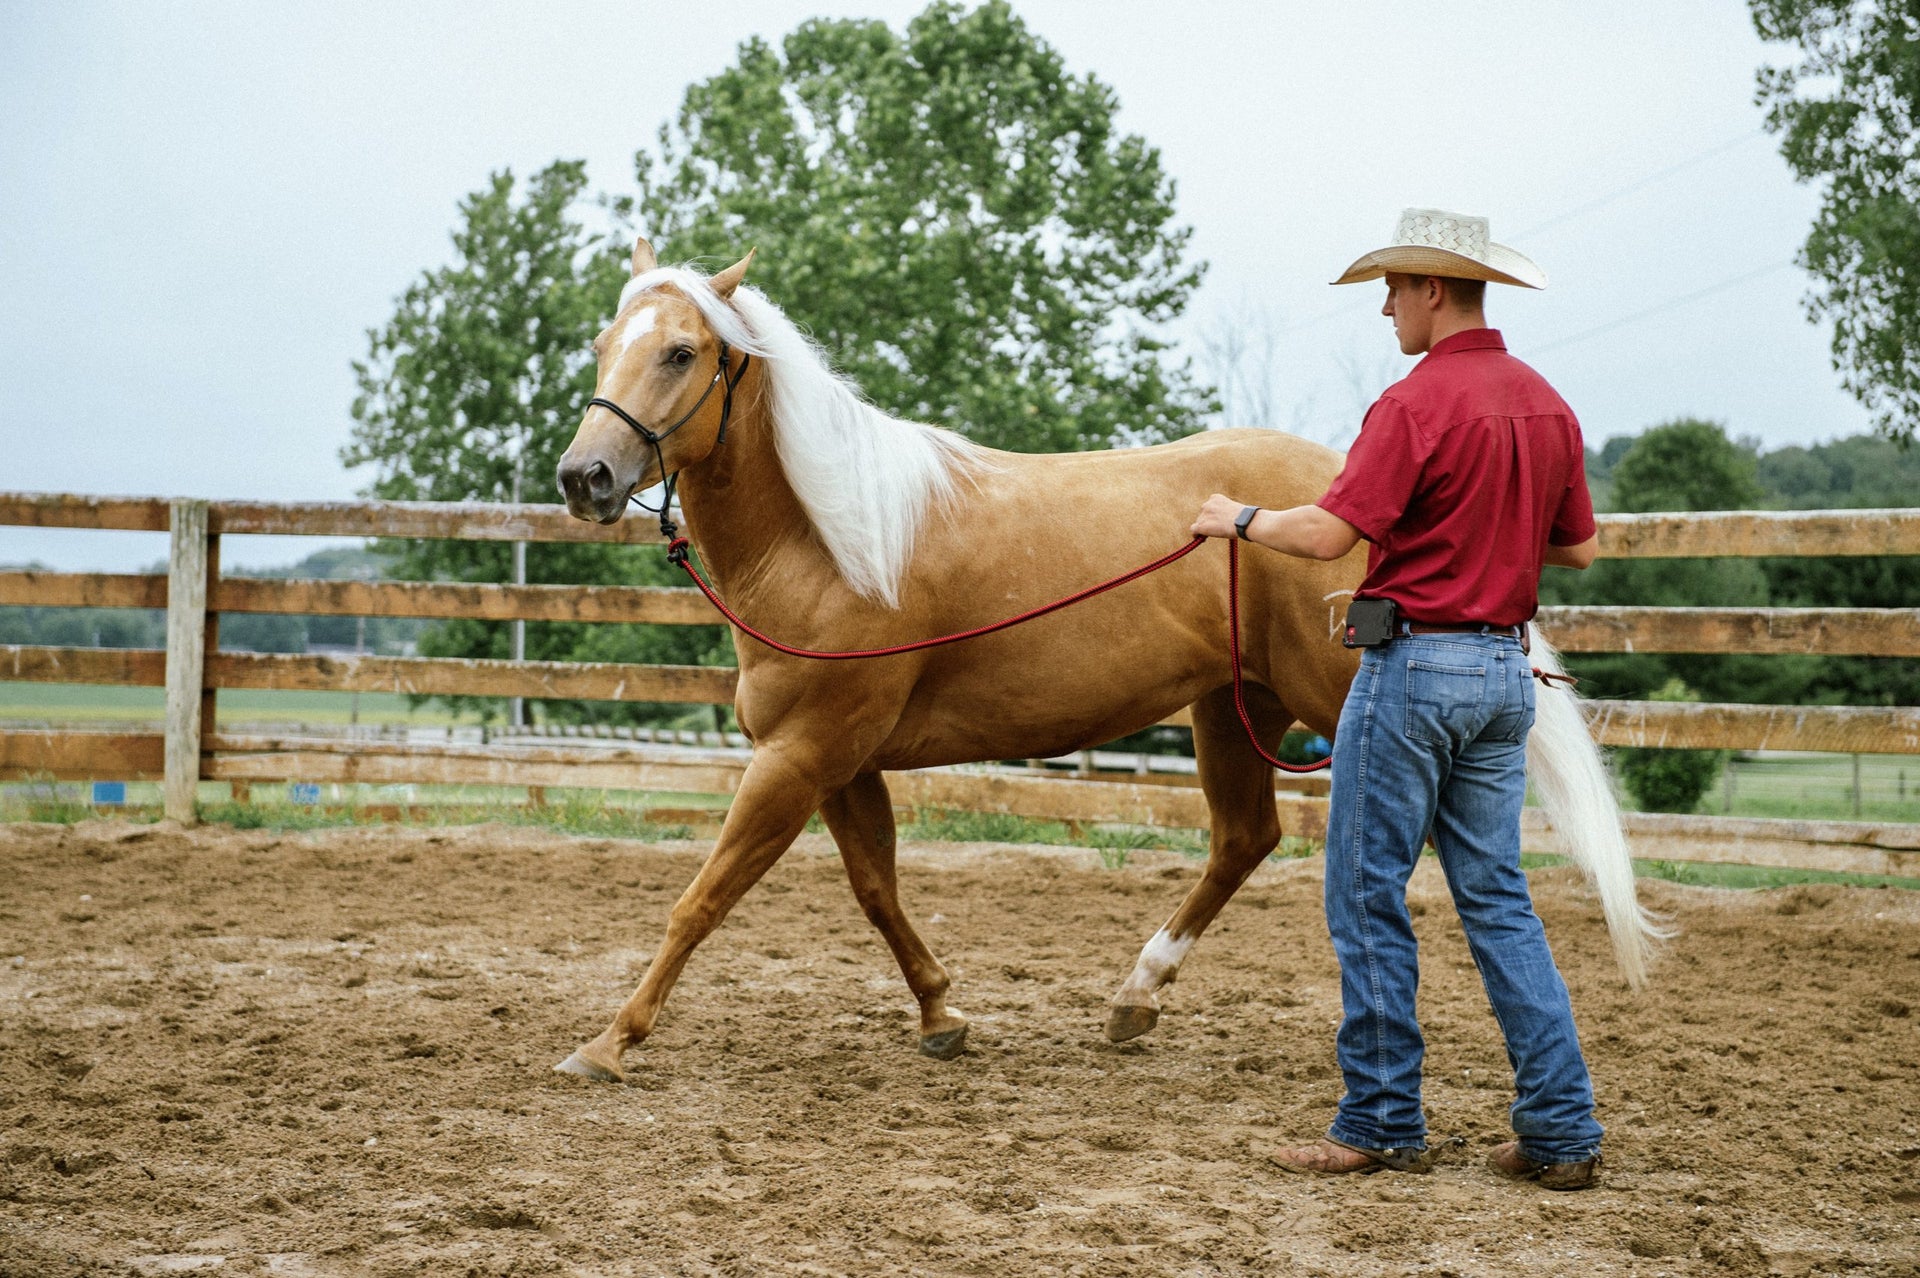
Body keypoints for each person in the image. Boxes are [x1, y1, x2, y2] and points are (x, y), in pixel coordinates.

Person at [1191, 208, 1605, 1191]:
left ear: (1431, 289)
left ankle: (1380, 1119)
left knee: (1365, 892)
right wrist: (1489, 535)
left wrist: (1235, 517)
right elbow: (1580, 546)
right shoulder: (1546, 405)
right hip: (1504, 677)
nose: (1384, 309)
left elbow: (1330, 536)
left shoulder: (1413, 405)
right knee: (1499, 898)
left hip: (1414, 673)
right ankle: (1562, 1128)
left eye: (1391, 289)